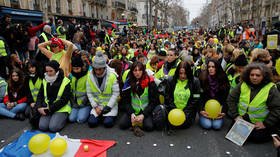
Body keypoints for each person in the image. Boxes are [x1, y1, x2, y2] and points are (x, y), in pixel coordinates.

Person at [227, 63, 280, 142]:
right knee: (234, 133)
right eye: (252, 75)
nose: (254, 77)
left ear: (264, 76)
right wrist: (236, 115)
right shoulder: (243, 84)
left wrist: (266, 123)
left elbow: (277, 108)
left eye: (258, 75)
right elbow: (231, 99)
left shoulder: (271, 88)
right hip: (242, 120)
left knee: (257, 138)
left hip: (259, 123)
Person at [119, 61, 159, 136]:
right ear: (132, 71)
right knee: (122, 125)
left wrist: (143, 115)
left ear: (143, 71)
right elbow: (125, 101)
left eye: (140, 70)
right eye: (135, 70)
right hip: (133, 110)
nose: (137, 73)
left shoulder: (150, 83)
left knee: (149, 127)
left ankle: (136, 124)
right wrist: (131, 113)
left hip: (145, 111)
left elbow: (154, 102)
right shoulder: (128, 83)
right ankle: (136, 123)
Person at [36, 60, 71, 132]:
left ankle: (64, 118)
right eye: (47, 71)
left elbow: (64, 100)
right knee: (42, 127)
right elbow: (40, 95)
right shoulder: (45, 80)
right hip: (47, 107)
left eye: (51, 71)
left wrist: (49, 109)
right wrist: (39, 107)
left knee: (53, 128)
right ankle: (54, 118)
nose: (48, 73)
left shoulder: (65, 81)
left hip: (61, 108)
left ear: (56, 70)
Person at [87, 51, 119, 128]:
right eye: (95, 69)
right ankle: (101, 116)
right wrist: (95, 107)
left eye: (100, 69)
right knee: (91, 123)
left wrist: (108, 107)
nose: (97, 72)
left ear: (104, 67)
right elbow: (89, 93)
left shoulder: (112, 76)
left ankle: (106, 117)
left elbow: (116, 94)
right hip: (97, 106)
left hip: (109, 106)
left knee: (108, 124)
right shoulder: (89, 76)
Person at [164, 61, 200, 129]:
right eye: (180, 73)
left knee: (183, 125)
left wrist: (186, 111)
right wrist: (174, 109)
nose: (183, 76)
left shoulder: (195, 81)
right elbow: (167, 96)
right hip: (172, 110)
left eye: (185, 73)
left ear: (189, 72)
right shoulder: (171, 80)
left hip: (188, 112)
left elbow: (196, 97)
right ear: (177, 72)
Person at [199, 59, 230, 130]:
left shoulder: (223, 79)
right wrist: (201, 110)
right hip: (205, 109)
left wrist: (223, 112)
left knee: (217, 126)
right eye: (209, 67)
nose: (211, 69)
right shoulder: (202, 78)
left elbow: (227, 97)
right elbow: (197, 96)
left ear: (217, 68)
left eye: (213, 67)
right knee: (207, 125)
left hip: (218, 110)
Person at [69, 56, 91, 123]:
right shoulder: (72, 76)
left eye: (77, 68)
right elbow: (70, 90)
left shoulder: (88, 75)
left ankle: (88, 110)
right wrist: (73, 102)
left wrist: (84, 103)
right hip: (75, 103)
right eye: (74, 69)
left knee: (80, 119)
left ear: (82, 67)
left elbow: (90, 92)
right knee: (71, 119)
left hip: (85, 103)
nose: (75, 70)